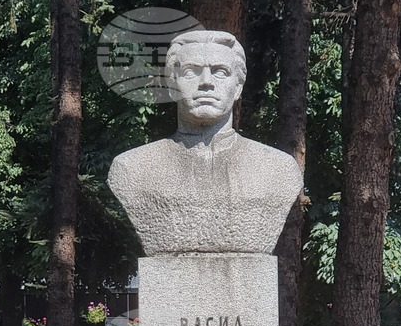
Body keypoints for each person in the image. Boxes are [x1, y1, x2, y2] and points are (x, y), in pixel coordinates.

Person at [108, 30, 302, 255]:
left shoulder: (279, 169)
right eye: (192, 71)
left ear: (238, 87)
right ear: (173, 85)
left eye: (220, 72)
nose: (206, 83)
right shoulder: (132, 169)